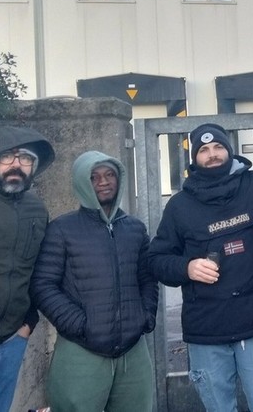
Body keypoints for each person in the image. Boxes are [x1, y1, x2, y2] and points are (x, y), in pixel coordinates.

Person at [147, 123, 253, 412]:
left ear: (229, 150)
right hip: (207, 327)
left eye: (218, 147)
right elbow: (156, 260)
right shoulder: (179, 206)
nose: (212, 154)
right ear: (194, 158)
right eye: (204, 150)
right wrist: (187, 267)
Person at [30, 151, 158, 411]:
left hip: (132, 352)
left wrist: (145, 316)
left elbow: (147, 278)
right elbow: (43, 285)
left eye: (110, 174)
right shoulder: (62, 229)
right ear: (82, 182)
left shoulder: (135, 228)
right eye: (94, 177)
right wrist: (79, 325)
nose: (103, 181)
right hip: (81, 350)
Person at [0, 126, 55, 412]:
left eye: (25, 158)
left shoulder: (37, 210)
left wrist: (28, 324)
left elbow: (40, 271)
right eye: (7, 156)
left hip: (11, 342)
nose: (16, 164)